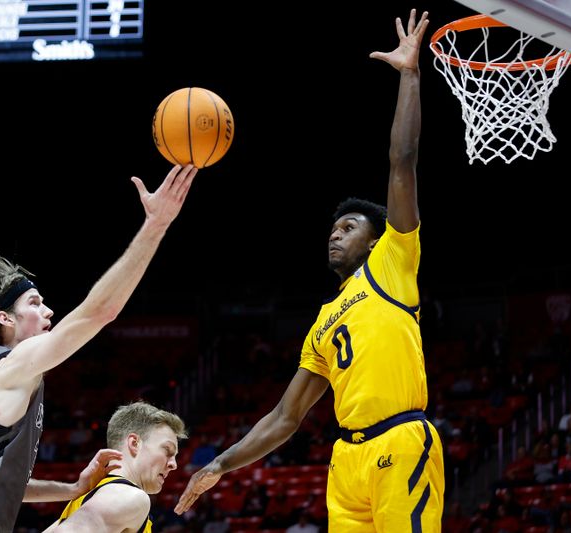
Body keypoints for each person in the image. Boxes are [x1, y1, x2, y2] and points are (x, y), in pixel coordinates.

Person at [175, 10, 444, 531]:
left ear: (376, 238)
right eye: (333, 228)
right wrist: (220, 464)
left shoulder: (393, 261)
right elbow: (284, 417)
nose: (335, 233)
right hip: (346, 463)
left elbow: (402, 160)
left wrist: (410, 76)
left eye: (348, 226)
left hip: (400, 441)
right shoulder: (323, 322)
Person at [0, 164, 198, 533]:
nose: (47, 310)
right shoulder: (10, 366)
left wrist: (73, 489)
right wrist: (156, 225)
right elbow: (99, 313)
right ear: (5, 318)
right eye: (33, 303)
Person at [44, 401, 186, 533]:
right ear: (134, 443)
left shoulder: (89, 495)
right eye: (167, 450)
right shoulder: (128, 496)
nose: (174, 464)